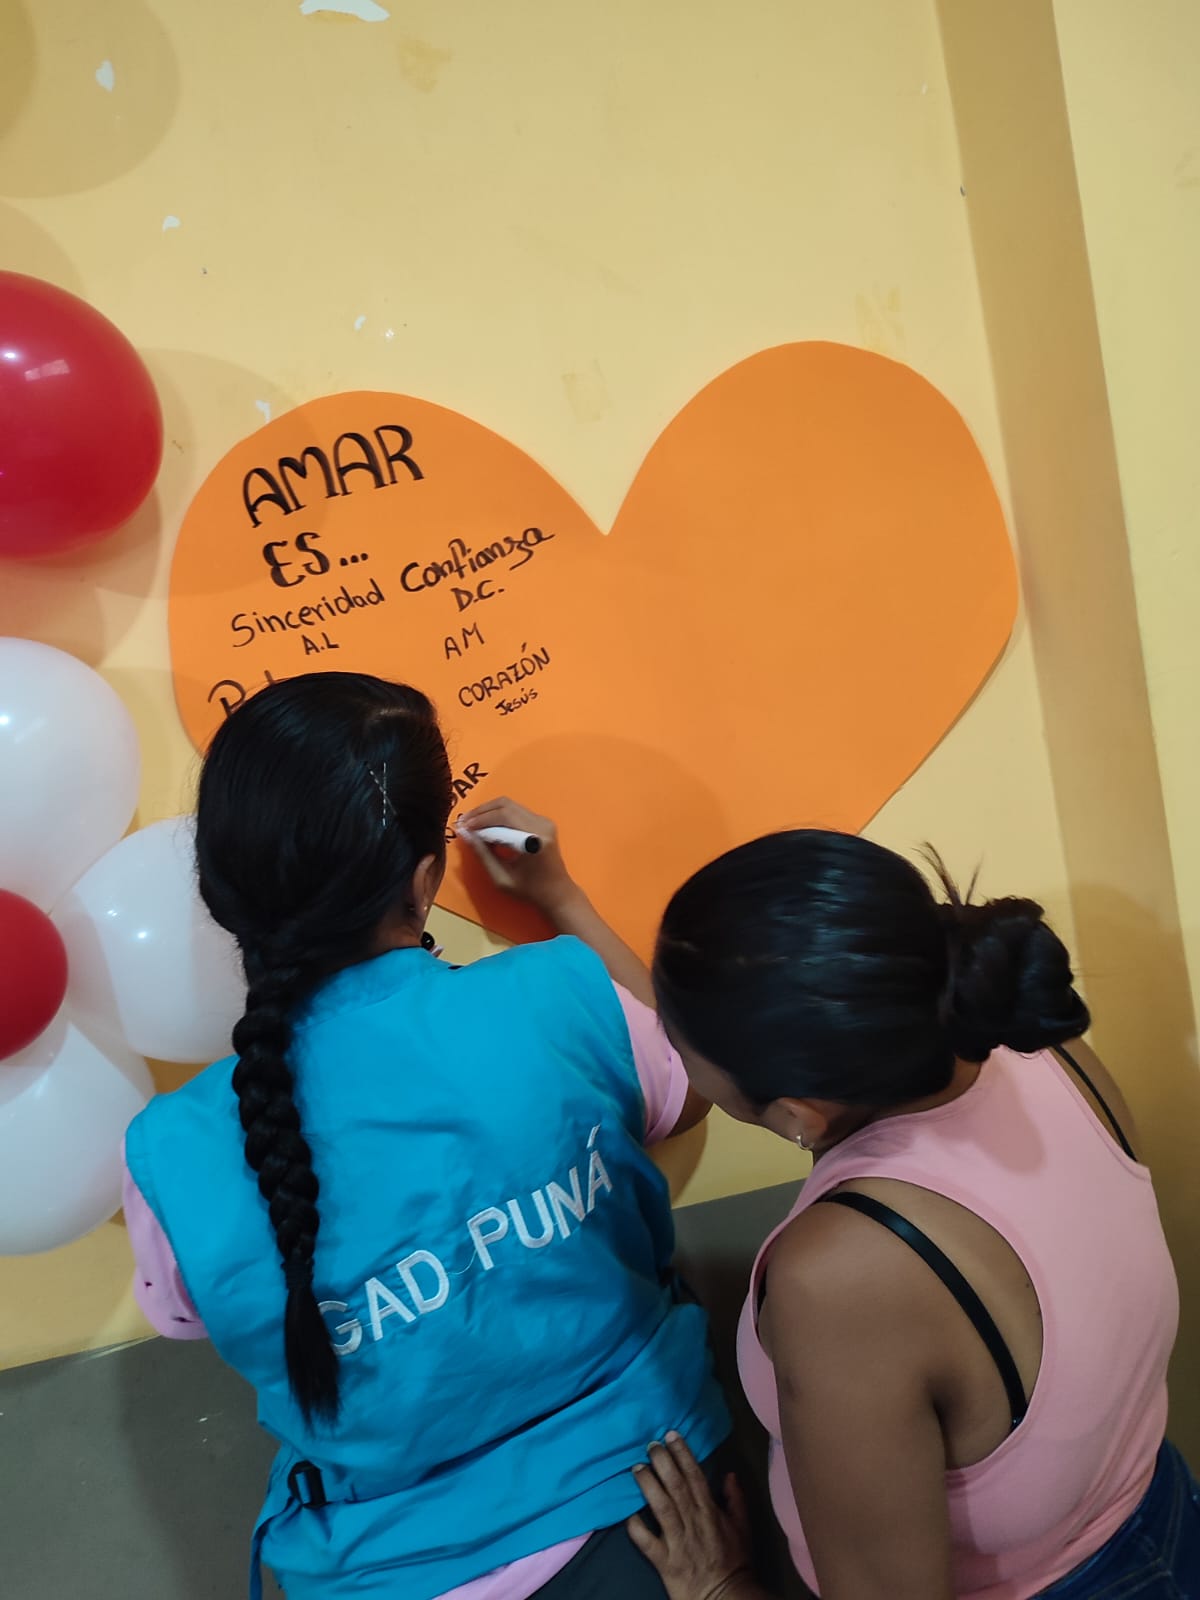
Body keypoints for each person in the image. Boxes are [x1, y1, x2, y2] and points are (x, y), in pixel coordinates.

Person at [122, 673, 729, 1600]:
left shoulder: (167, 1149)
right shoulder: (557, 995)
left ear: (218, 893)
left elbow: (185, 1315)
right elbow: (689, 1090)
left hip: (383, 1569)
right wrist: (561, 898)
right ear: (422, 880)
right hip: (661, 1511)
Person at [625, 830, 1197, 1600]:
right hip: (1164, 1513)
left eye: (680, 1046)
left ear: (798, 1115)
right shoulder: (1034, 1039)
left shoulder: (843, 1276)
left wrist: (717, 1585)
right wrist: (564, 900)